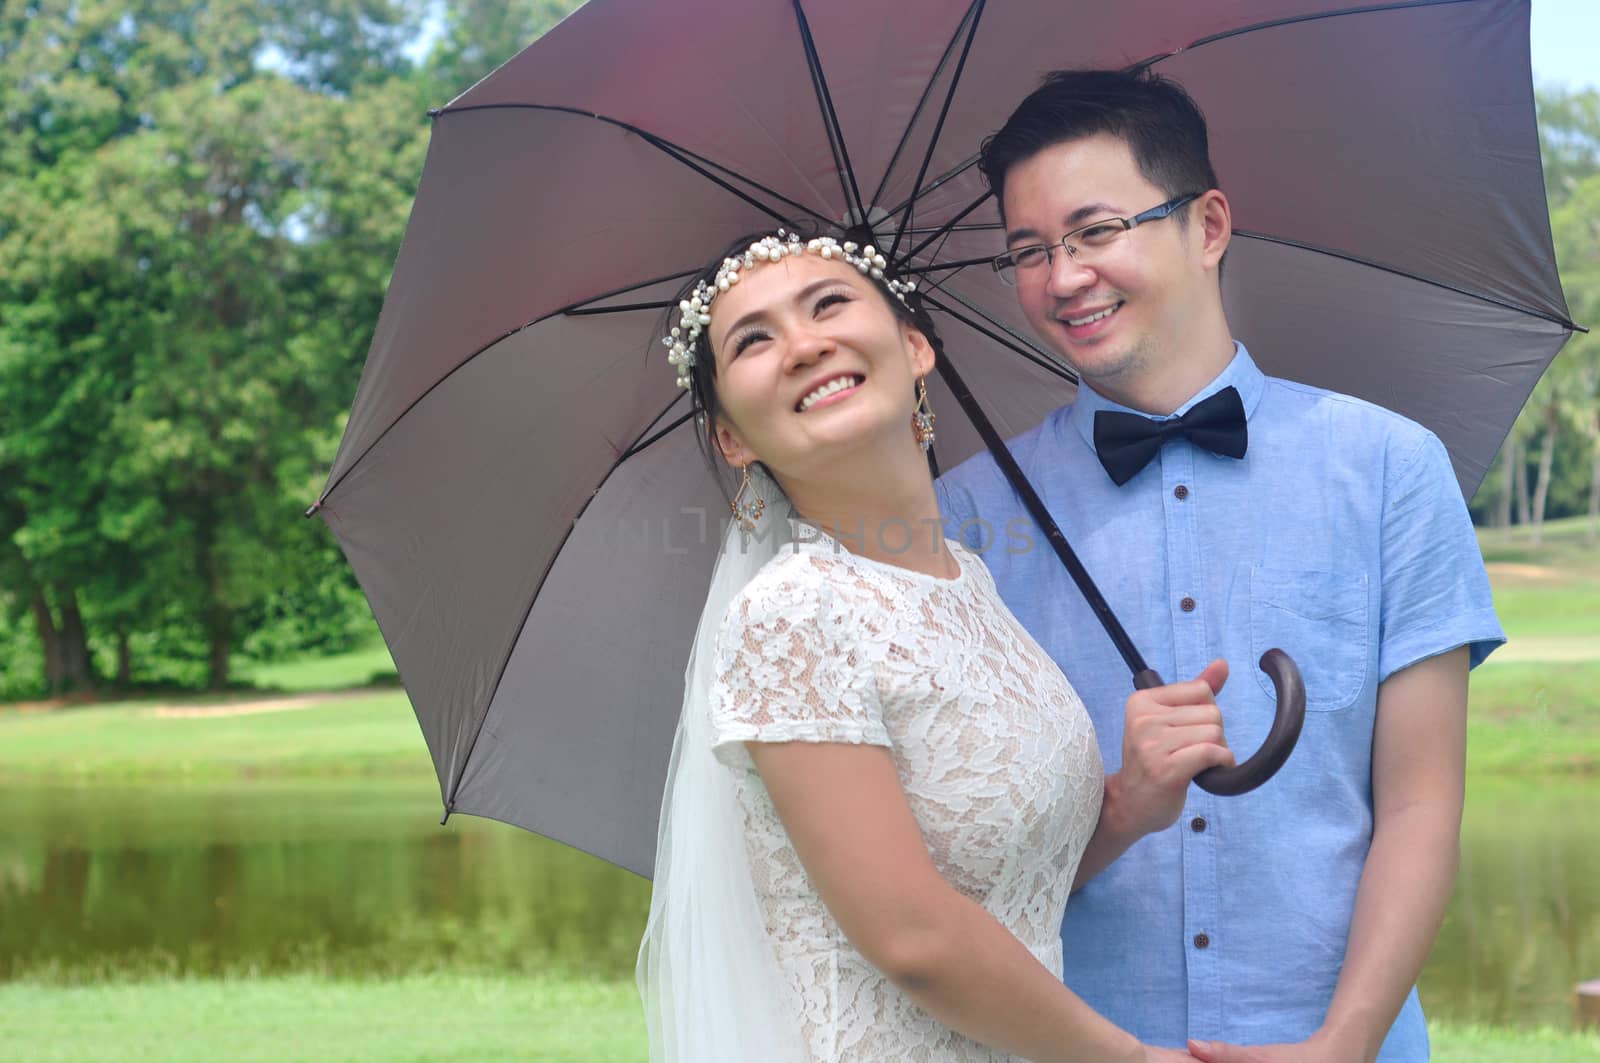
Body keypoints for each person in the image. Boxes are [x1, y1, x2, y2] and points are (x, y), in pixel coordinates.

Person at [936, 69, 1505, 1062]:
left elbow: (1419, 804)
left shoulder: (1388, 468)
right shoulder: (969, 516)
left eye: (1095, 230)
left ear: (1206, 226)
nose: (1062, 276)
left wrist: (1345, 1042)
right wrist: (1118, 807)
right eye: (1027, 250)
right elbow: (962, 876)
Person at [636, 229, 1235, 1062]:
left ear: (914, 346)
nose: (805, 345)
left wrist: (1128, 803)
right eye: (754, 340)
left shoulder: (972, 583)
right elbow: (913, 933)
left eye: (829, 303)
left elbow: (1005, 883)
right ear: (732, 438)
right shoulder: (792, 614)